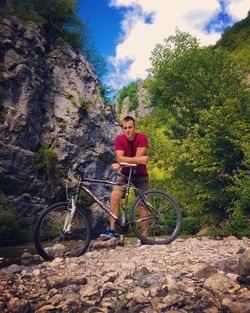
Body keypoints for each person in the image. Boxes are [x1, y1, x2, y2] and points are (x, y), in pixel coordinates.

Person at [100, 115, 149, 240]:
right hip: (125, 174)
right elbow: (131, 159)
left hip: (140, 175)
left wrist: (121, 163)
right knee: (114, 197)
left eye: (130, 127)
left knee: (142, 204)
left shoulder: (142, 138)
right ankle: (112, 231)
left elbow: (134, 163)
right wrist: (134, 160)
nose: (128, 130)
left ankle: (144, 236)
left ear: (134, 127)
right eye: (125, 128)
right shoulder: (119, 140)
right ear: (123, 128)